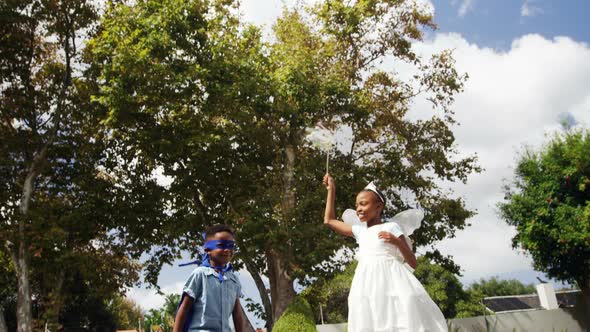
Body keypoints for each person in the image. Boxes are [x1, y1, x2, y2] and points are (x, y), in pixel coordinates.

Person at [322, 173, 447, 332]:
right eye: (357, 205)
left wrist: (397, 242)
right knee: (368, 316)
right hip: (366, 282)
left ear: (378, 206)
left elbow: (413, 263)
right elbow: (329, 220)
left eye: (364, 204)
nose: (359, 209)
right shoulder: (360, 231)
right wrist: (331, 189)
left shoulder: (391, 228)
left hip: (392, 280)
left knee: (397, 316)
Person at [173, 224, 245, 332]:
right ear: (207, 249)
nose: (227, 250)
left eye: (231, 245)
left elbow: (237, 313)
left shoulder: (233, 279)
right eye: (221, 245)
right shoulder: (199, 274)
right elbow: (184, 308)